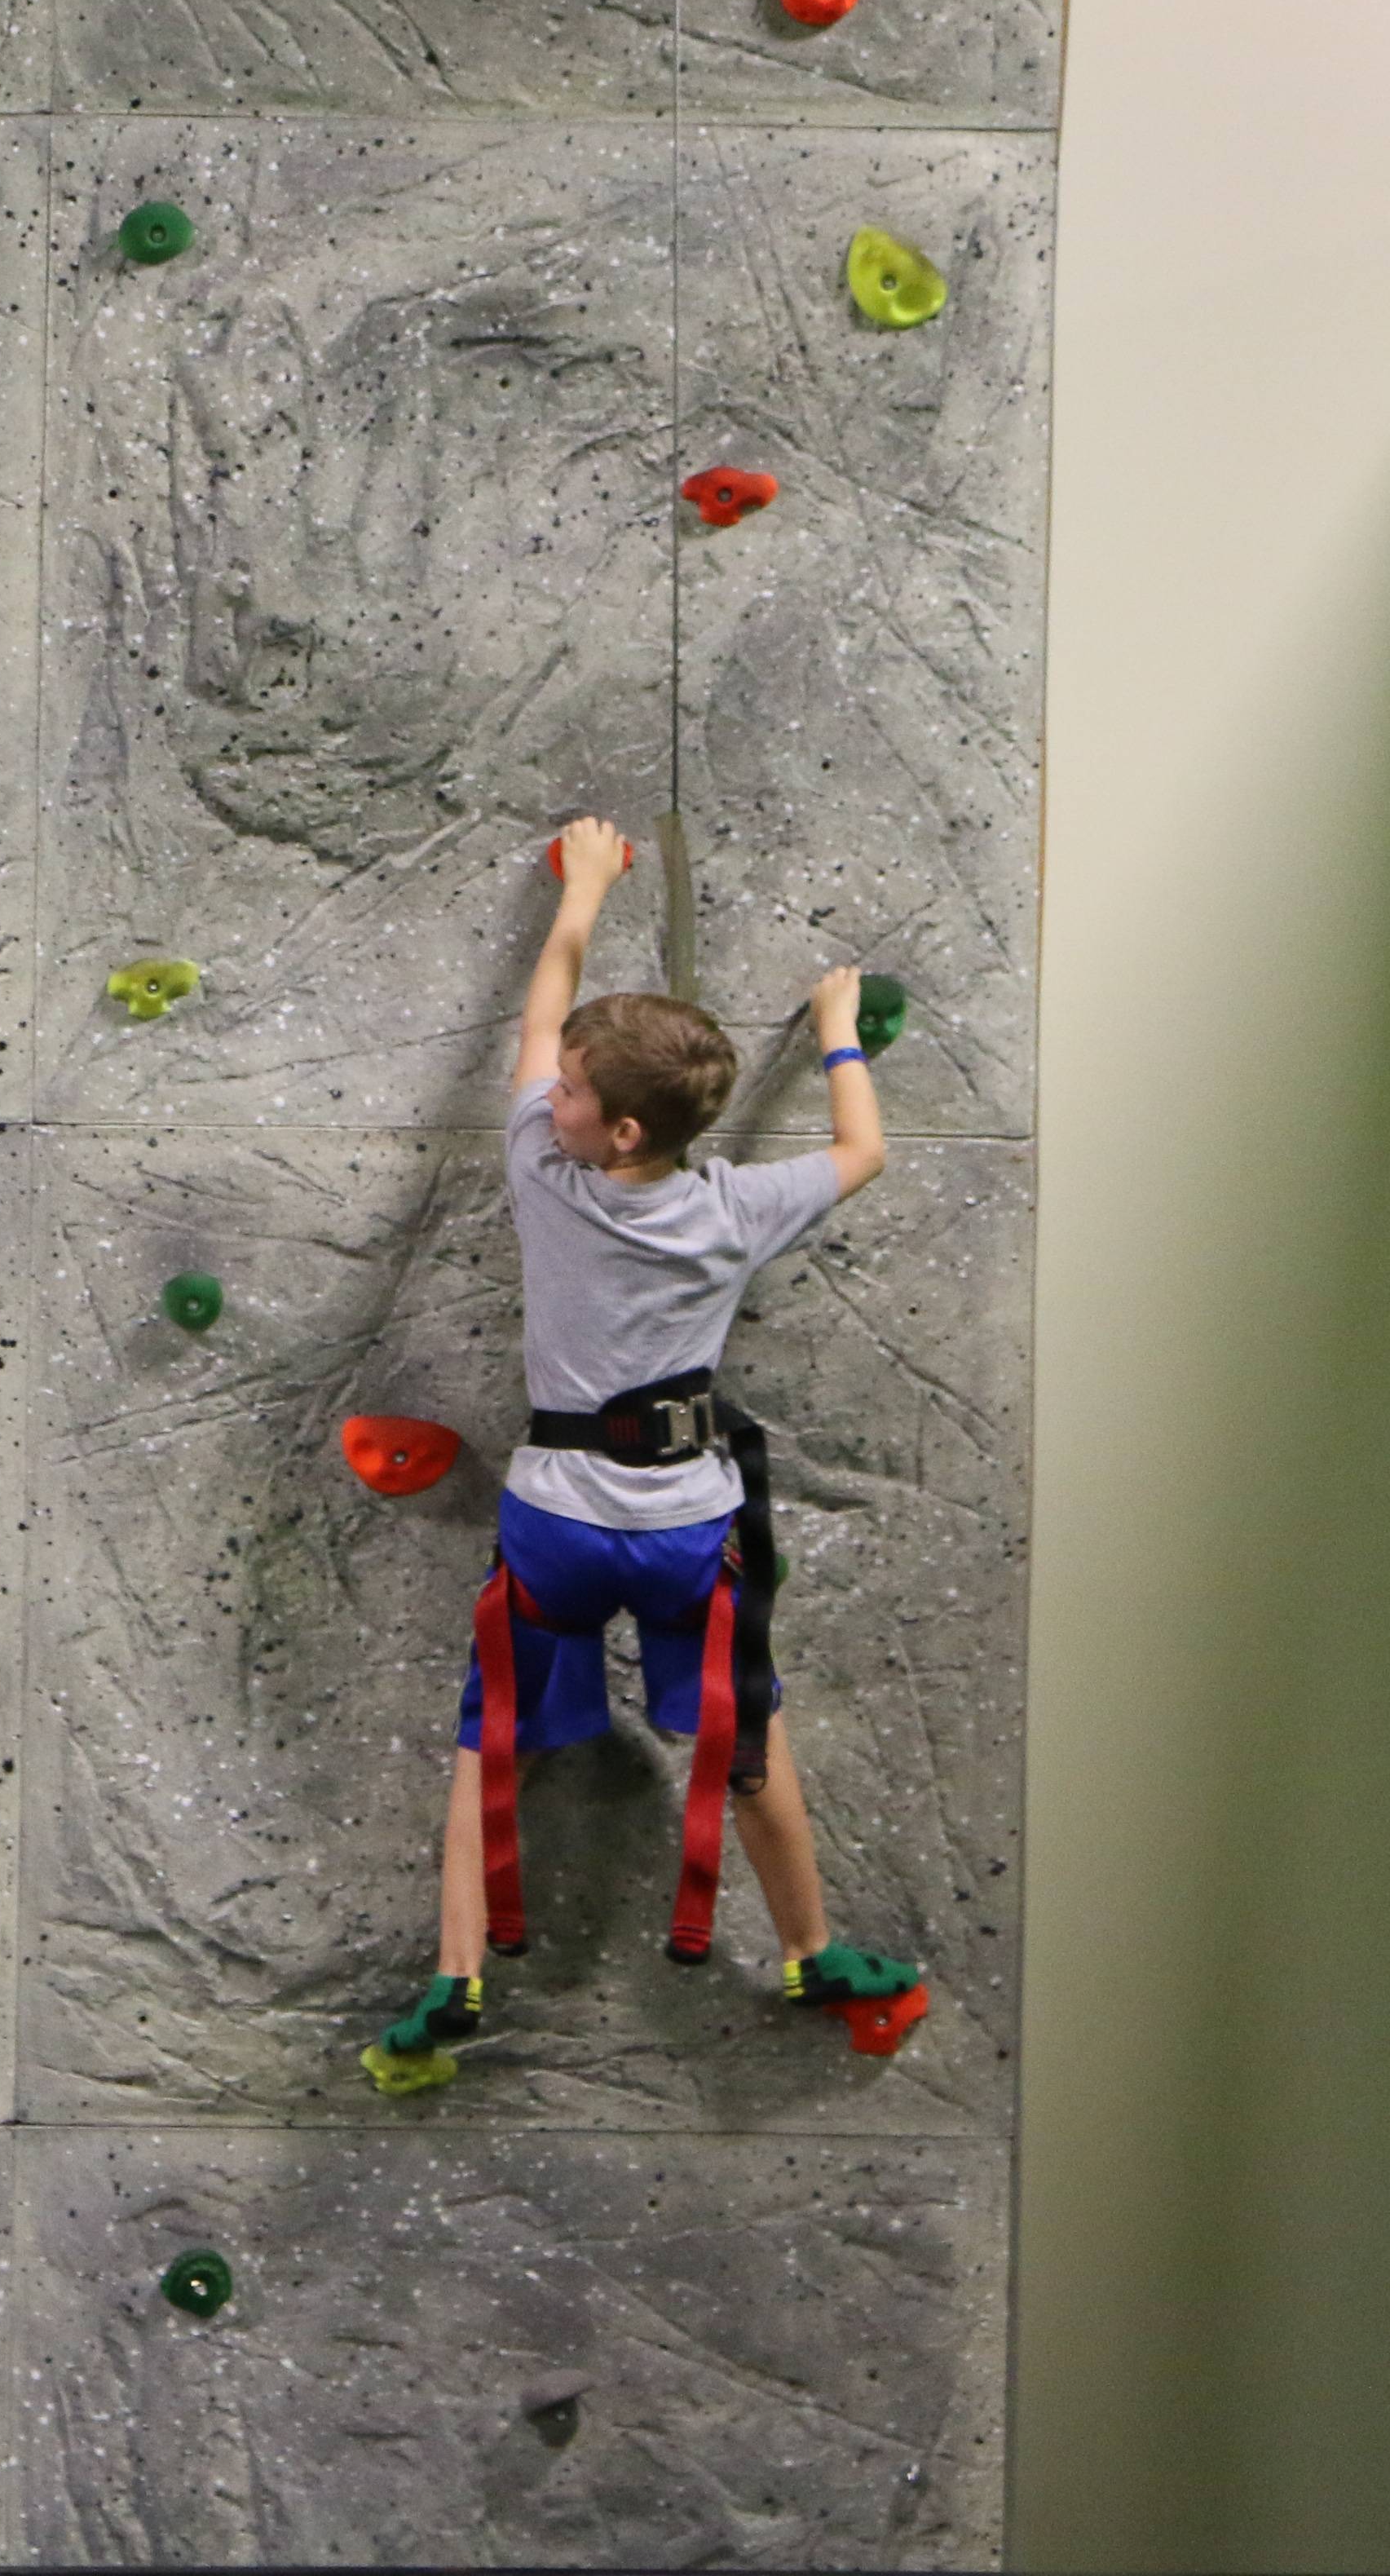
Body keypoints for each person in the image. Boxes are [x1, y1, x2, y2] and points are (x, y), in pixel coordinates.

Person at [364, 816, 930, 2095]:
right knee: (742, 1739)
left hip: (556, 1520)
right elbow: (864, 1153)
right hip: (685, 1524)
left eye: (573, 1091)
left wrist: (587, 896)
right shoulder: (731, 1209)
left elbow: (534, 1019)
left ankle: (457, 1971)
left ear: (615, 1132)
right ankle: (811, 1949)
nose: (549, 1095)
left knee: (488, 1738)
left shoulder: (541, 1175)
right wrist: (836, 1027)